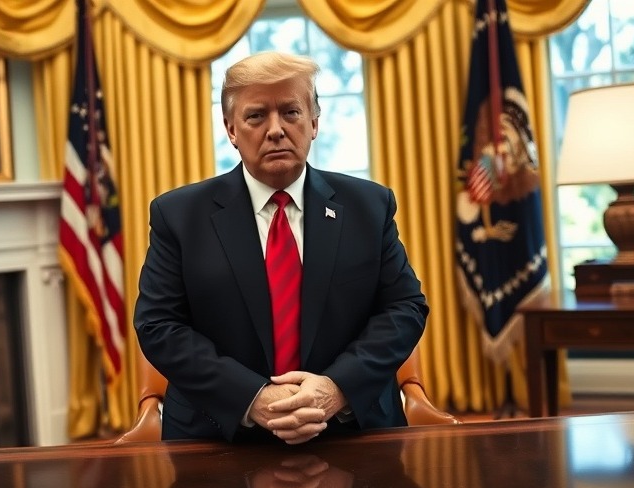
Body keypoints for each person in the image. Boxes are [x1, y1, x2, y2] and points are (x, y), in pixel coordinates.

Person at [133, 51, 428, 445]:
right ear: (231, 129)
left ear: (314, 123)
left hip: (350, 429)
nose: (276, 129)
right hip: (220, 437)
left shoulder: (368, 207)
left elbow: (405, 308)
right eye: (256, 116)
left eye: (291, 112)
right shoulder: (178, 215)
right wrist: (253, 398)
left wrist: (336, 389)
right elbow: (158, 325)